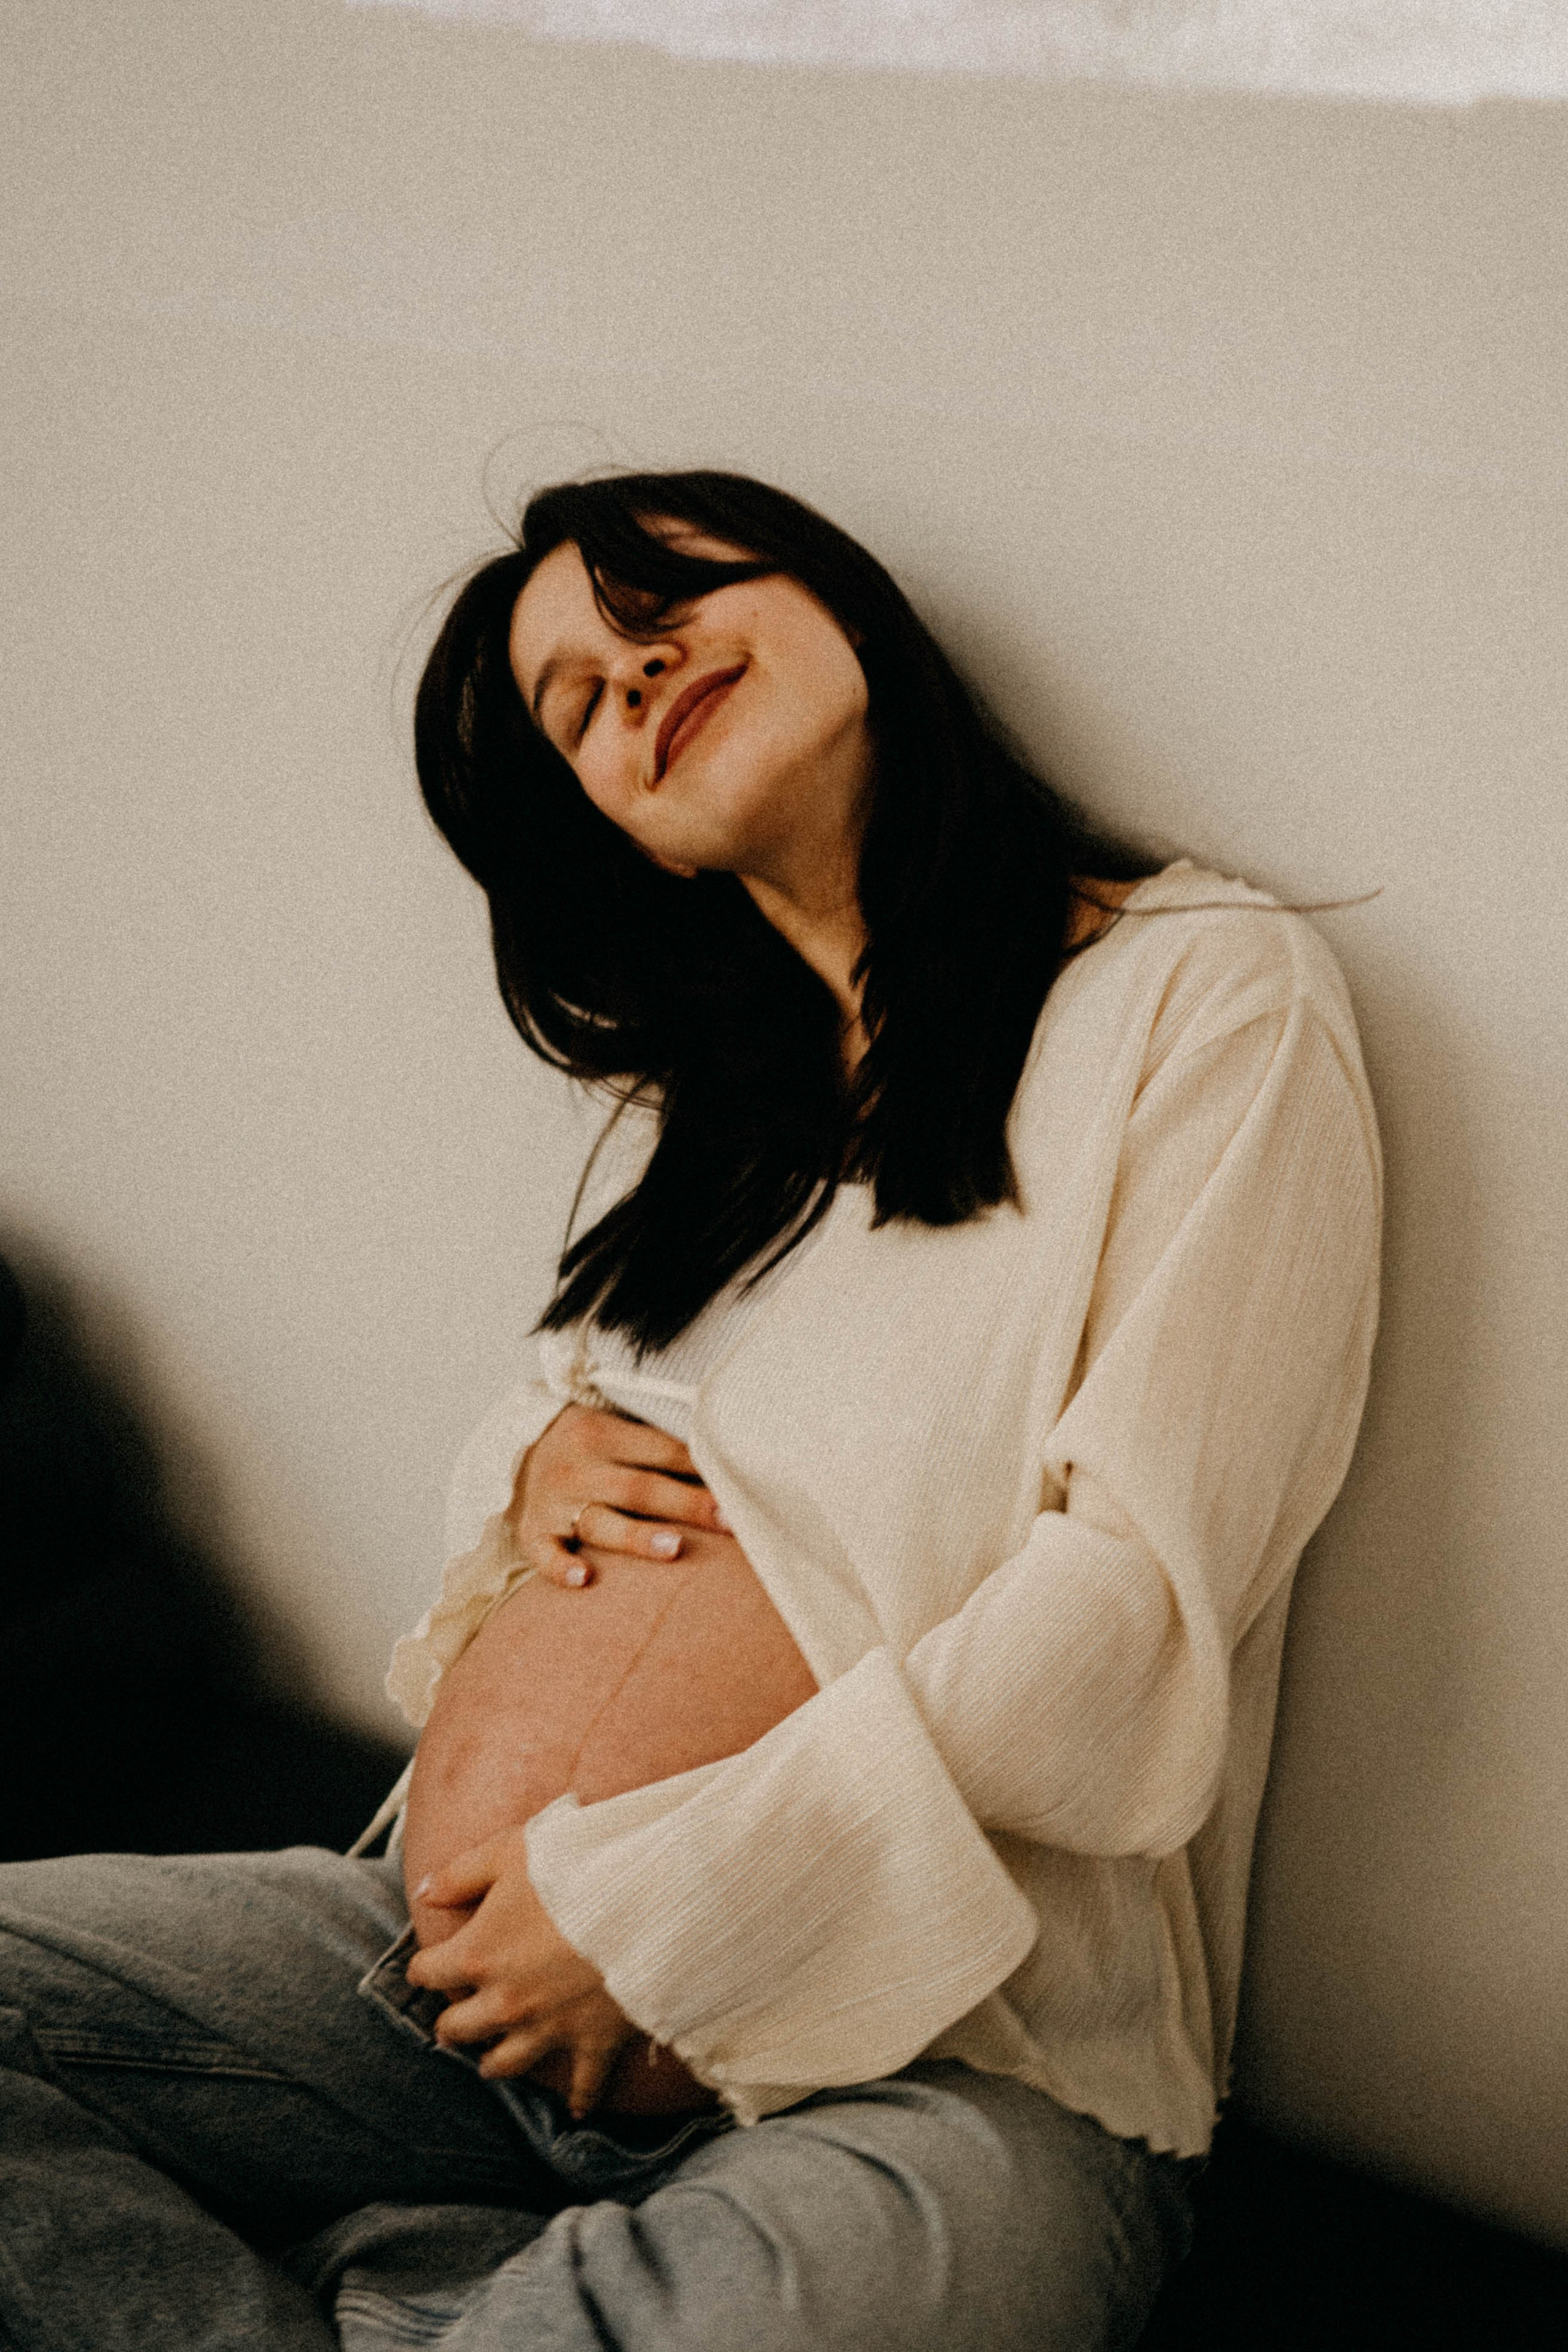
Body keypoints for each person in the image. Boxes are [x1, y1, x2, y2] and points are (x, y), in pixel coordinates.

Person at [0, 470, 1381, 2350]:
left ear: (846, 603)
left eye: (662, 603)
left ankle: (424, 2287)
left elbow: (1133, 1613)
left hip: (945, 2065)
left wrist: (665, 1914)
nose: (633, 676)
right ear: (628, 836)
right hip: (454, 1990)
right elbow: (587, 1480)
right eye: (576, 701)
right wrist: (526, 1473)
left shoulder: (1202, 997)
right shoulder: (719, 1113)